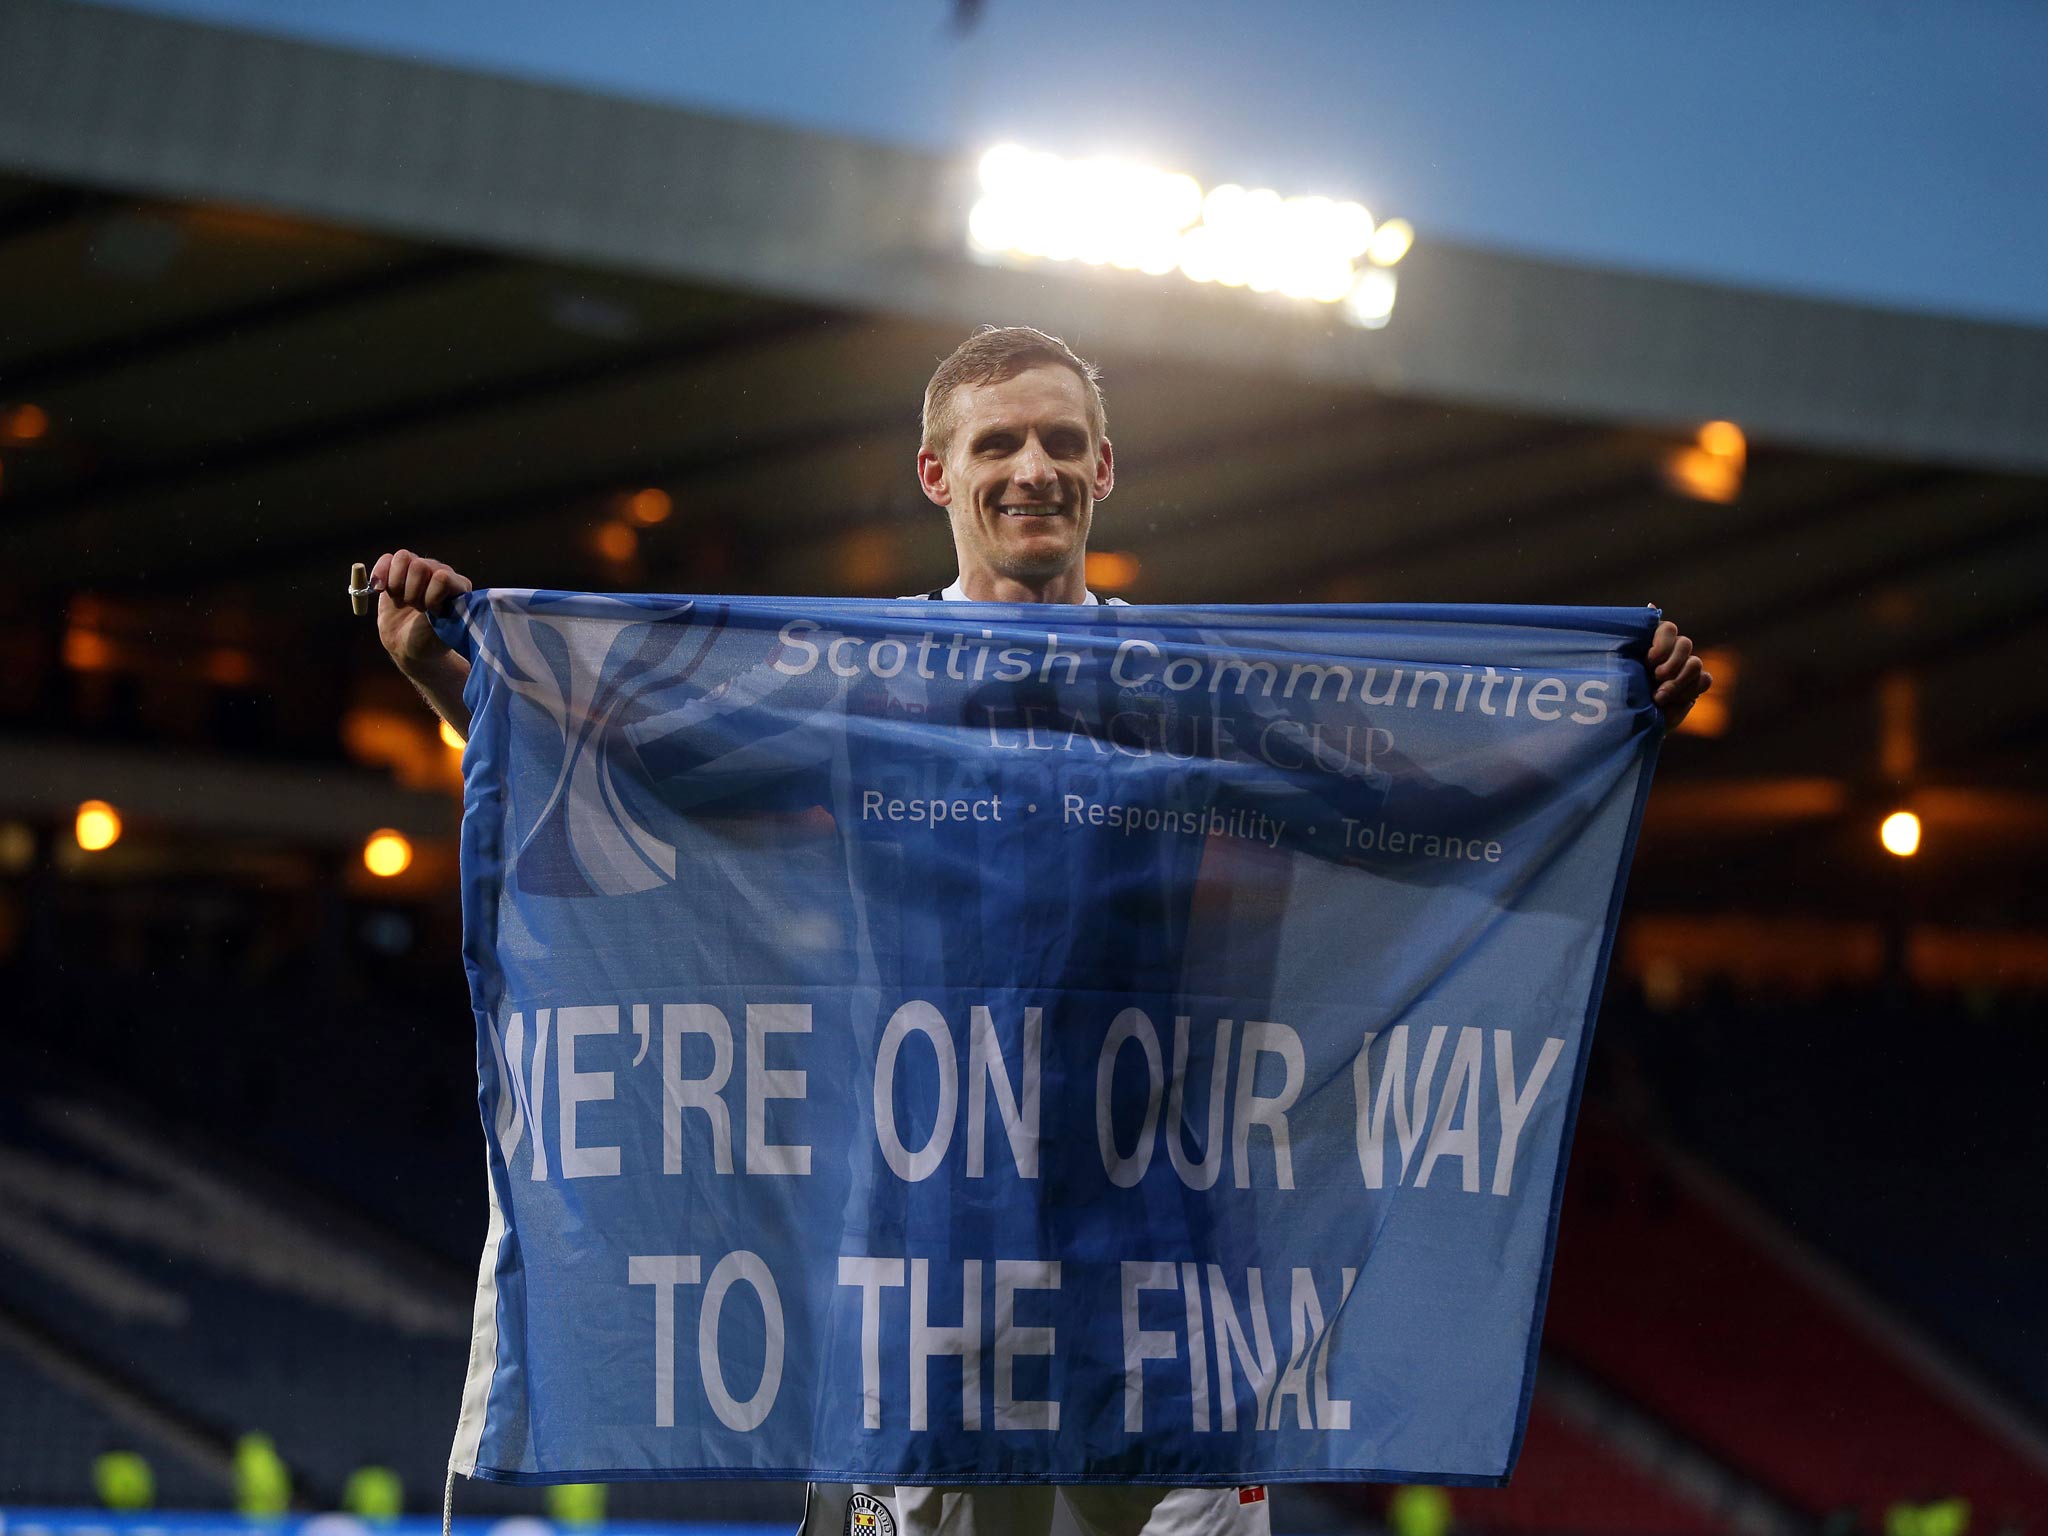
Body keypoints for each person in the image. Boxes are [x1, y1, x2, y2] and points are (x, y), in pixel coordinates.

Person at [371, 326, 1710, 1536]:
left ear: (1106, 470)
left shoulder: (1191, 682)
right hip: (931, 1260)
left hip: (1170, 1273)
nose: (1033, 467)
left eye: (1061, 441)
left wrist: (1602, 717)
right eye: (997, 442)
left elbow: (1404, 812)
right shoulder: (857, 680)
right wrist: (449, 669)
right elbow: (632, 772)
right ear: (935, 477)